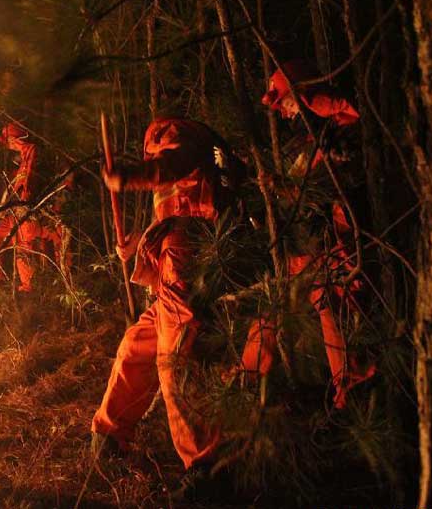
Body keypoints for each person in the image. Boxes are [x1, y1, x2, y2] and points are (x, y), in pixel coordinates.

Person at [91, 117, 244, 473]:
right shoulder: (187, 151)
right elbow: (177, 200)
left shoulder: (172, 134)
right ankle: (110, 435)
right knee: (136, 346)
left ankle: (206, 465)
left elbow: (172, 167)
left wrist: (128, 177)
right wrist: (138, 243)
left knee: (173, 360)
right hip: (168, 266)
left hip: (185, 258)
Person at [234, 60, 374, 409]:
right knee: (283, 304)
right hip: (305, 245)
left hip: (328, 242)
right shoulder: (311, 139)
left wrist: (283, 187)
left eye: (284, 103)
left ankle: (349, 389)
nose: (282, 113)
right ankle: (246, 380)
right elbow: (299, 187)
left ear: (301, 95)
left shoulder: (338, 130)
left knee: (328, 305)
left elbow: (324, 186)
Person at [0, 122, 43, 292]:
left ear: (16, 138)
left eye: (9, 142)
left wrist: (25, 203)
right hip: (11, 212)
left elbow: (30, 178)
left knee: (25, 248)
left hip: (25, 211)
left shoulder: (31, 151)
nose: (9, 147)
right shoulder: (20, 163)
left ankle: (29, 289)